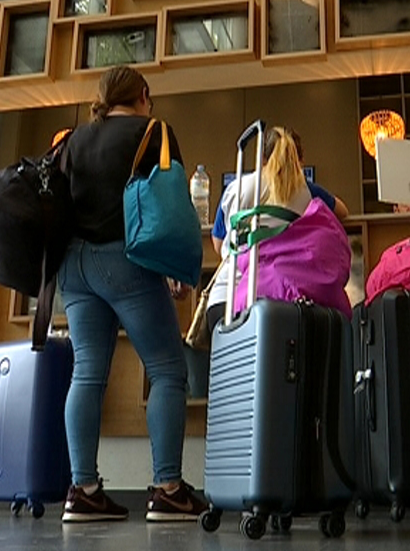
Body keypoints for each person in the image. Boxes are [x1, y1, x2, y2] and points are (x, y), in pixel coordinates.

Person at [56, 65, 207, 523]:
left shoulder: (72, 140)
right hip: (124, 260)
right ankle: (168, 489)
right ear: (143, 94)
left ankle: (82, 491)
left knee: (87, 374)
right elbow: (169, 208)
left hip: (72, 266)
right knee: (166, 370)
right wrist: (177, 268)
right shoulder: (153, 131)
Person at [206, 126, 349, 329]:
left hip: (226, 300)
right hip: (281, 301)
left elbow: (218, 244)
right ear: (299, 160)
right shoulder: (308, 191)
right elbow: (342, 211)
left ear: (262, 158)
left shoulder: (236, 187)